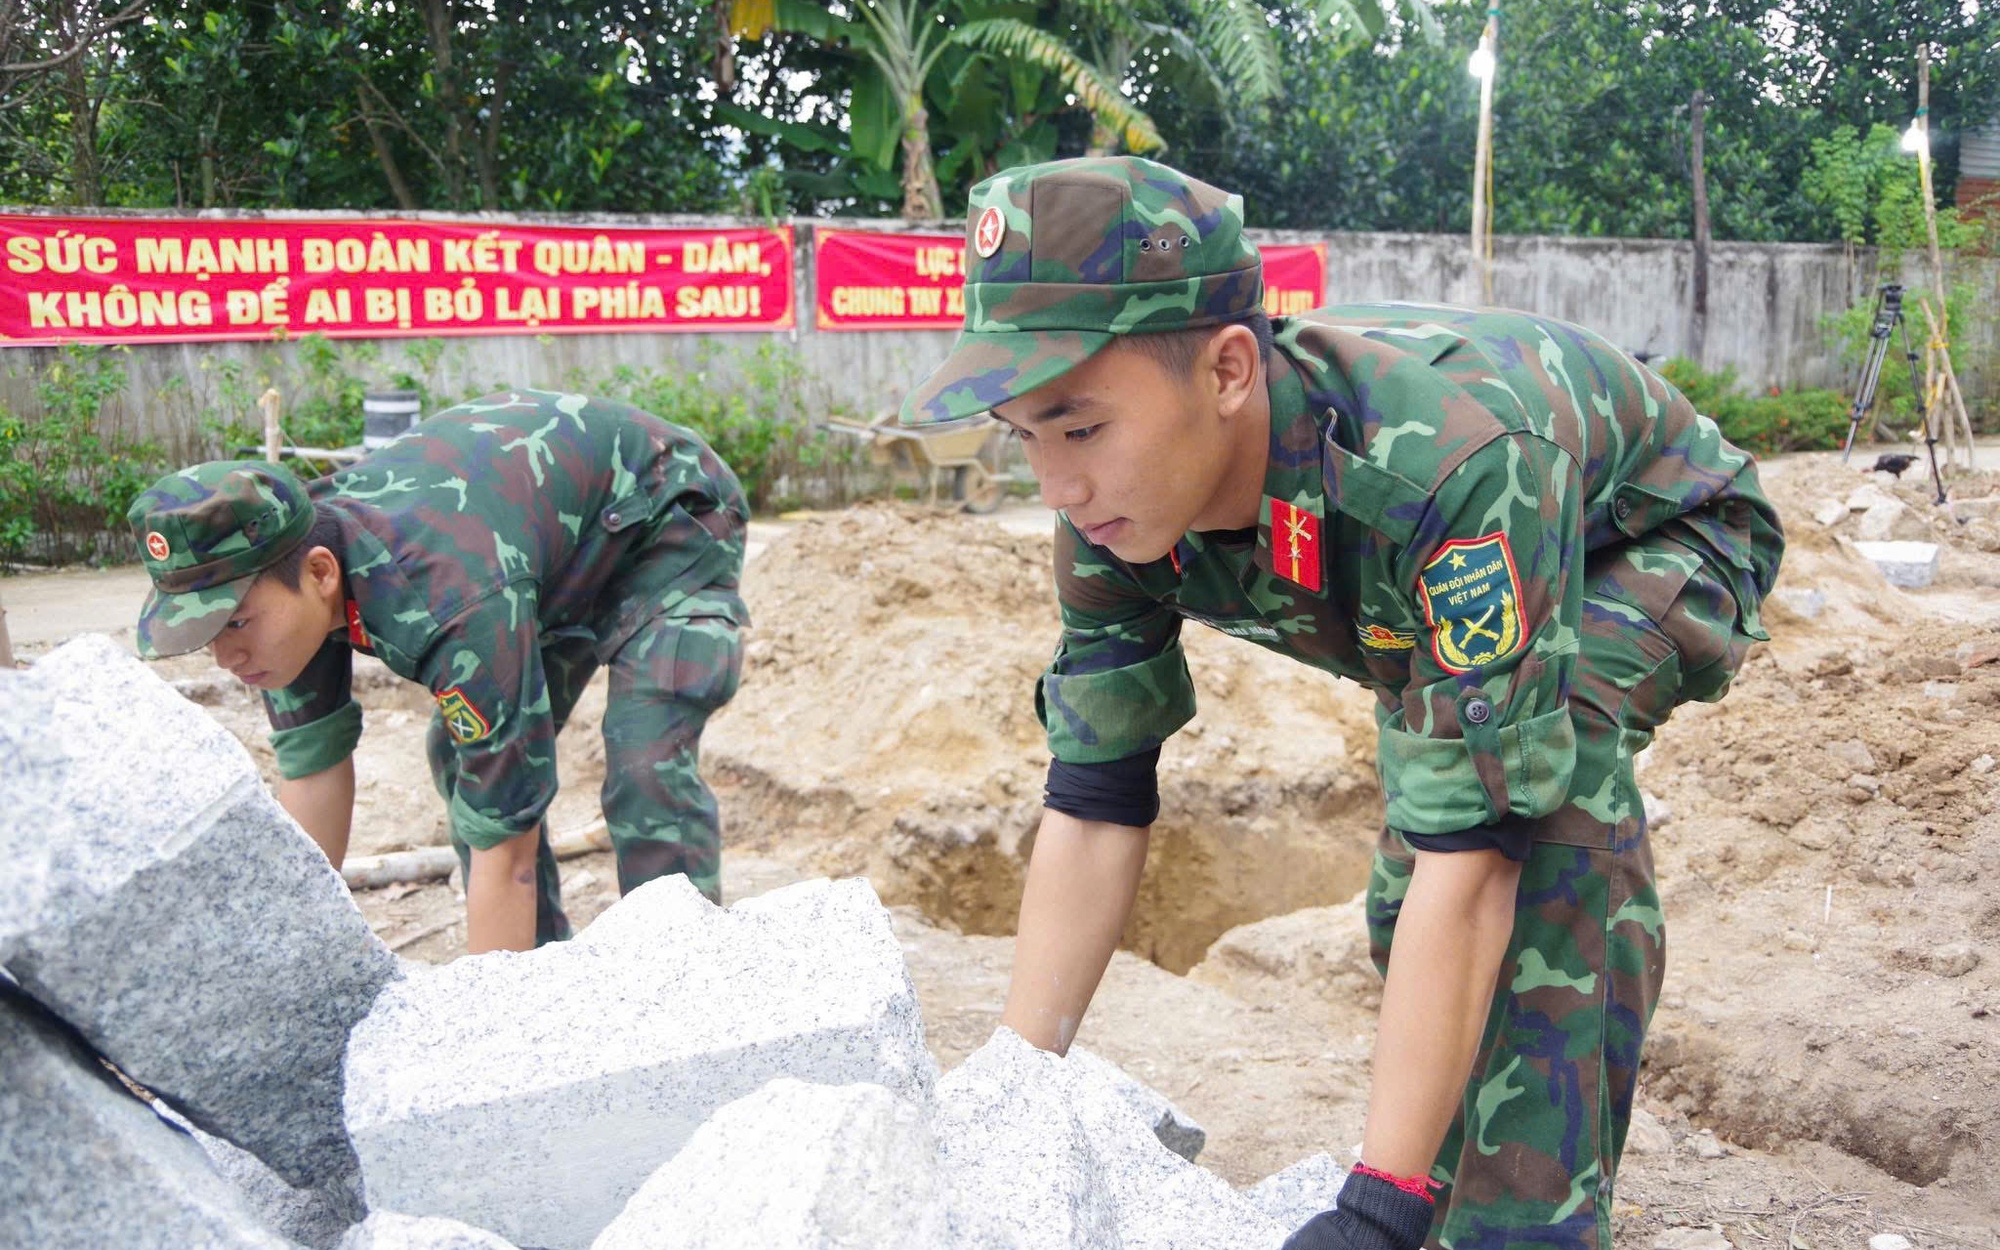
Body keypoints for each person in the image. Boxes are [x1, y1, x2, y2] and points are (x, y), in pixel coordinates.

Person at [901, 156, 1783, 1250]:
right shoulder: (1107, 518)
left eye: (1079, 429)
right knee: (1411, 888)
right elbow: (1094, 796)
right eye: (1021, 435)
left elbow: (1480, 852)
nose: (1057, 486)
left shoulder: (1443, 467)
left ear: (1228, 369)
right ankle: (1445, 1176)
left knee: (1541, 822)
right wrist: (1013, 1094)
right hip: (1436, 589)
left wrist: (1373, 1211)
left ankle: (1521, 1226)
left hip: (1654, 534)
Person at [127, 388, 748, 954]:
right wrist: (287, 967)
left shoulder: (446, 600)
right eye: (209, 634)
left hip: (664, 517)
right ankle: (551, 978)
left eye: (235, 623)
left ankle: (680, 977)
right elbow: (313, 773)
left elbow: (508, 852)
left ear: (320, 574)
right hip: (544, 552)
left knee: (645, 763)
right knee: (461, 753)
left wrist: (484, 1026)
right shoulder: (282, 569)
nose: (227, 658)